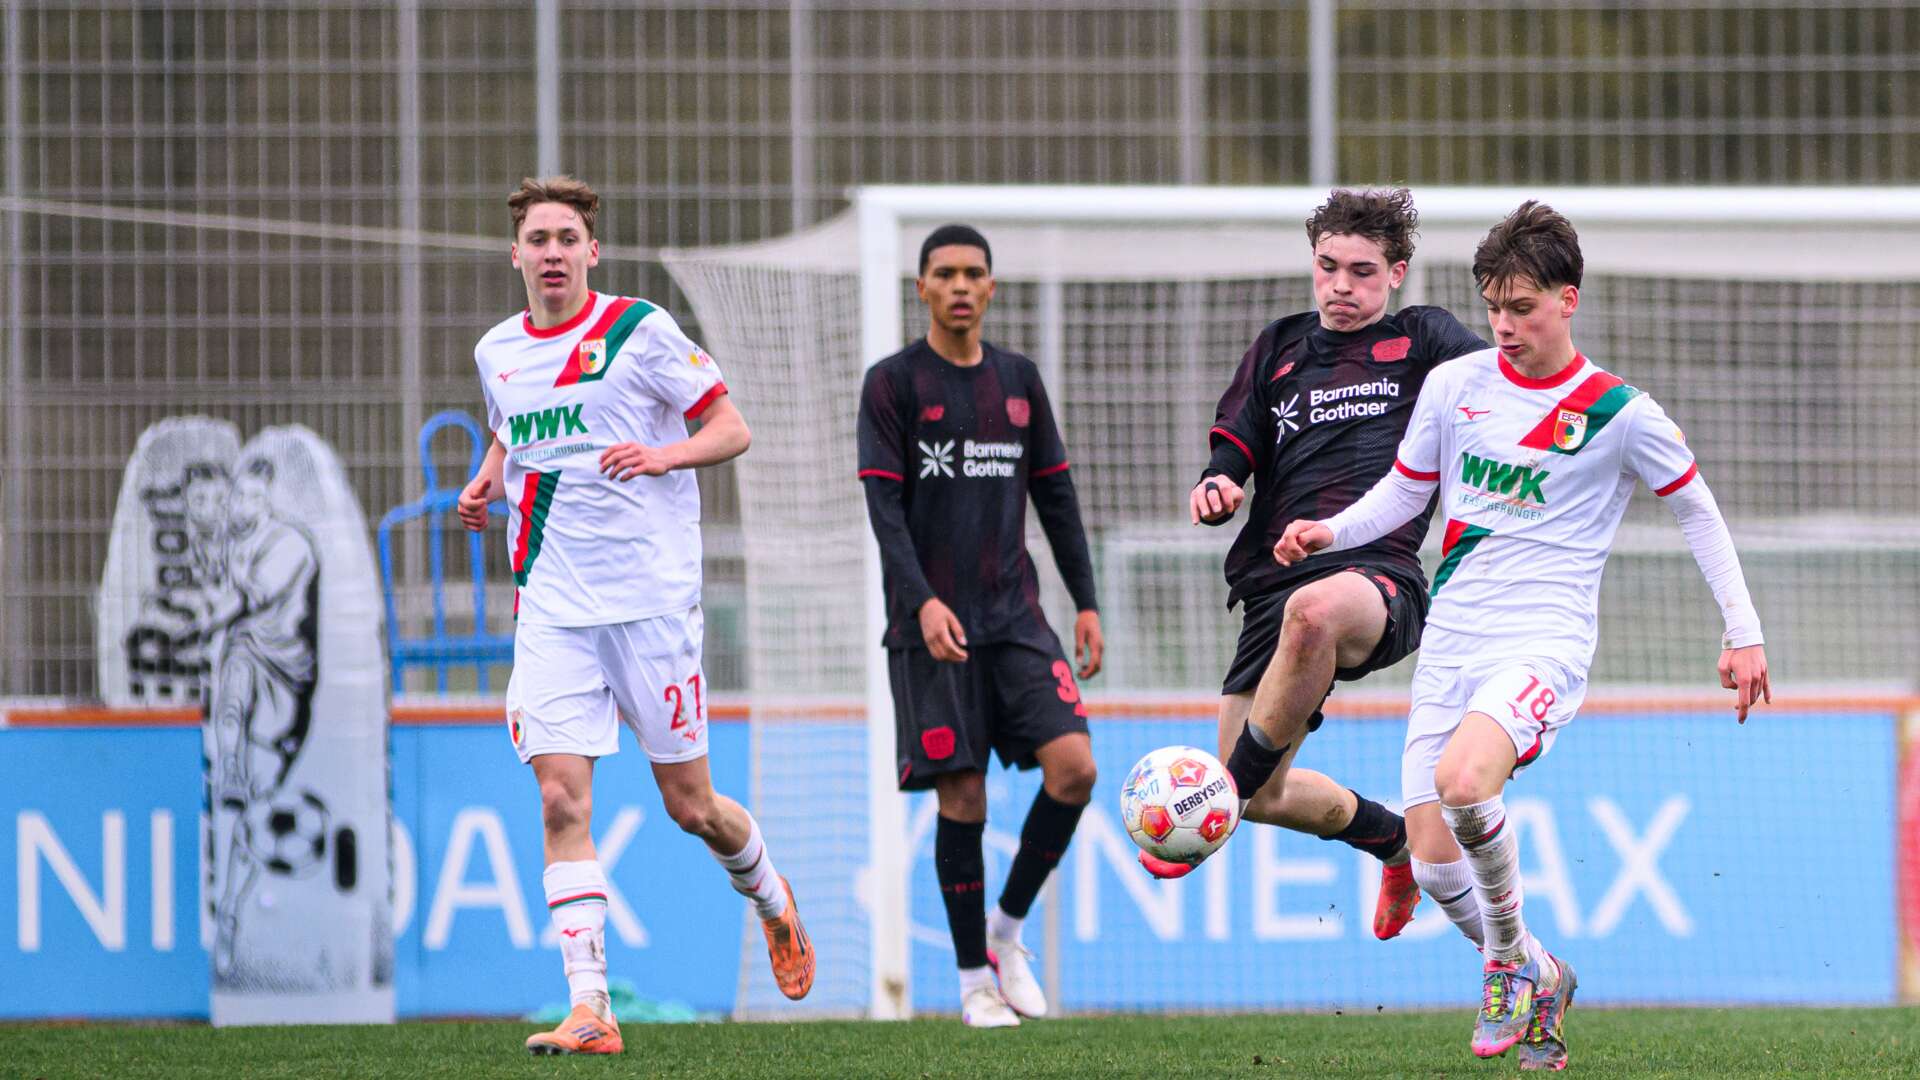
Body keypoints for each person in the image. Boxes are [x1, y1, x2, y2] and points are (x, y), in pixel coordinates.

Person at [1276, 200, 1769, 1070]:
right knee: (1432, 867)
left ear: (1568, 300)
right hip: (1454, 639)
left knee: (1464, 784)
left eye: (1524, 308)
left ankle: (1505, 966)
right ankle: (1541, 967)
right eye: (1494, 306)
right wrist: (1333, 531)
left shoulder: (1617, 412)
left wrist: (1744, 632)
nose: (1503, 326)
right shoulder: (1456, 386)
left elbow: (1697, 507)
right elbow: (1405, 493)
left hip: (1542, 642)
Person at [457, 176, 813, 1056]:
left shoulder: (637, 332)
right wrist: (487, 477)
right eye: (536, 238)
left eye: (566, 237)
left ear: (591, 252)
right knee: (558, 797)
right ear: (515, 254)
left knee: (690, 806)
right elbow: (515, 427)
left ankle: (772, 900)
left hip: (650, 607)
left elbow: (730, 428)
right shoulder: (497, 351)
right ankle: (591, 1008)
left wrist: (664, 456)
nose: (551, 252)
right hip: (551, 608)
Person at [1148, 189, 1487, 947]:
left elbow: (1499, 385)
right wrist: (1220, 482)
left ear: (1395, 273)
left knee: (1315, 620)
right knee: (1265, 795)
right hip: (1272, 583)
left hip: (1380, 579)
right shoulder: (1279, 346)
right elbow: (1236, 441)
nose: (1341, 285)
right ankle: (1389, 842)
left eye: (1362, 272)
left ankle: (1217, 800)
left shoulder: (1422, 339)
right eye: (1327, 267)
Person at [857, 224, 1104, 1028]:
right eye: (944, 274)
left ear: (991, 288)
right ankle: (972, 983)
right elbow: (884, 512)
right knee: (962, 797)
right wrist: (922, 601)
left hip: (1016, 618)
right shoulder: (893, 384)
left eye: (974, 274)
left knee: (1075, 770)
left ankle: (1007, 930)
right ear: (921, 287)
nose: (960, 286)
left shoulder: (1019, 381)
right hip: (930, 626)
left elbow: (1057, 500)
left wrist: (1088, 602)